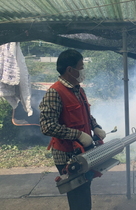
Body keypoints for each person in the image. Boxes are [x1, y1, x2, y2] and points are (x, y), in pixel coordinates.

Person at [39, 49, 106, 210]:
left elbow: (85, 115)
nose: (83, 71)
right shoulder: (55, 93)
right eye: (81, 67)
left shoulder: (78, 90)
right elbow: (47, 126)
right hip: (67, 155)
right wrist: (78, 135)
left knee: (84, 190)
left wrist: (95, 127)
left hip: (83, 151)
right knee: (78, 196)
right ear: (70, 70)